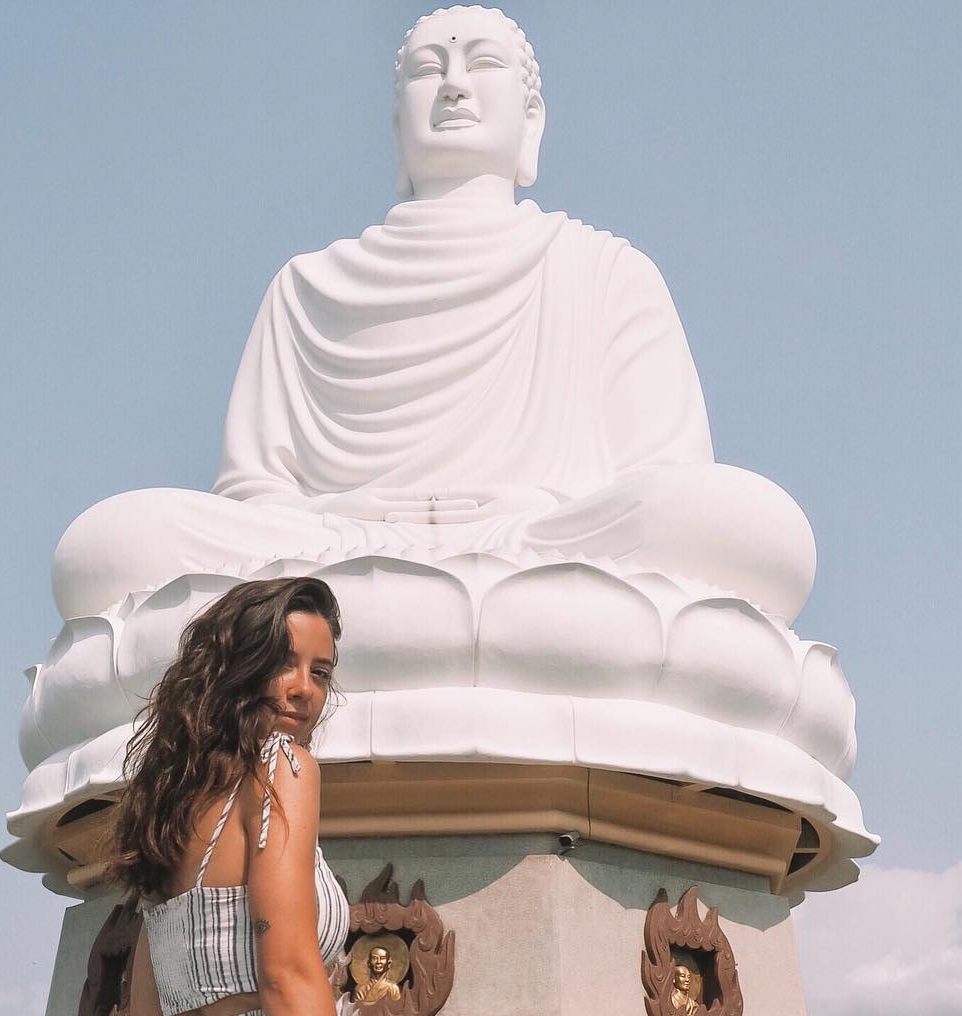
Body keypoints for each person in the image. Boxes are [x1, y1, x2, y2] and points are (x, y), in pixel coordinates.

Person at [53, 5, 815, 629]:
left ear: (532, 120)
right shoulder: (305, 288)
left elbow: (665, 479)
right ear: (396, 129)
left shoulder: (606, 273)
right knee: (111, 548)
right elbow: (255, 497)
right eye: (427, 70)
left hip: (542, 542)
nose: (453, 87)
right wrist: (350, 521)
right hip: (336, 548)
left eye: (482, 65)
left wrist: (538, 511)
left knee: (743, 526)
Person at [110, 577, 351, 1016]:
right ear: (240, 667)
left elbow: (146, 1009)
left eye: (320, 672)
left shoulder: (173, 803)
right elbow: (287, 974)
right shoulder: (284, 769)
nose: (303, 689)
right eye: (282, 662)